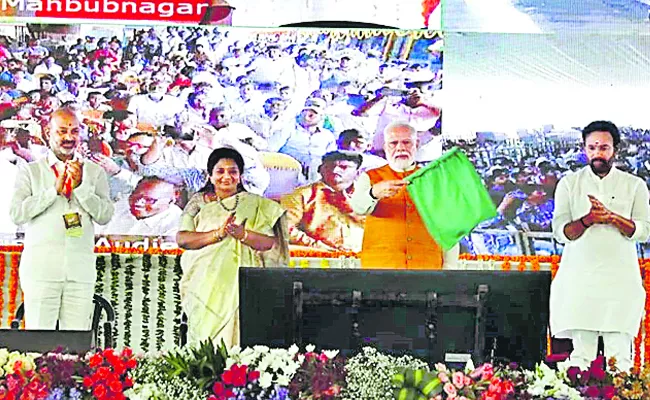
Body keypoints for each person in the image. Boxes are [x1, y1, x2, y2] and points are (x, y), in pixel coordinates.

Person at [551, 121, 650, 372]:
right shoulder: (569, 184)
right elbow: (561, 233)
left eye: (604, 147)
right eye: (592, 147)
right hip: (580, 280)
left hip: (620, 281)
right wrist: (589, 219)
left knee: (620, 361)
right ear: (584, 149)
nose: (598, 153)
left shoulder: (634, 185)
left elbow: (644, 231)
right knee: (580, 358)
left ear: (615, 149)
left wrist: (612, 218)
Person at [9, 107, 114, 330]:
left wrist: (81, 189)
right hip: (41, 270)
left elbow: (105, 215)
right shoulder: (31, 171)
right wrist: (53, 192)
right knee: (38, 343)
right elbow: (17, 213)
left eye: (75, 131)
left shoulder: (94, 172)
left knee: (76, 345)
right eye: (62, 131)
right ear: (48, 132)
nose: (69, 137)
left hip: (80, 271)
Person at [177, 147, 289, 348]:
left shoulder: (254, 204)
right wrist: (218, 234)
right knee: (205, 335)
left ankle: (236, 377)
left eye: (233, 171)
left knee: (237, 335)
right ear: (210, 176)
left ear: (240, 176)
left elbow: (268, 243)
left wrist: (242, 235)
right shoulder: (197, 203)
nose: (226, 176)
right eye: (220, 171)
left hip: (240, 280)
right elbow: (183, 239)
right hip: (204, 280)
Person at [350, 121, 458, 269]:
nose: (400, 148)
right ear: (385, 146)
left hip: (426, 267)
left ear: (417, 144)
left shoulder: (435, 179)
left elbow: (450, 228)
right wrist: (373, 193)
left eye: (406, 142)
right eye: (394, 143)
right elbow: (357, 208)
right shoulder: (370, 177)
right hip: (381, 267)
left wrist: (449, 267)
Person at [281, 150, 365, 252]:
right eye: (330, 166)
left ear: (358, 173)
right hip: (317, 255)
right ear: (320, 169)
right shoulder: (302, 195)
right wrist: (317, 247)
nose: (335, 170)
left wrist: (351, 209)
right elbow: (284, 228)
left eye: (343, 167)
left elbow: (380, 228)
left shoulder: (368, 196)